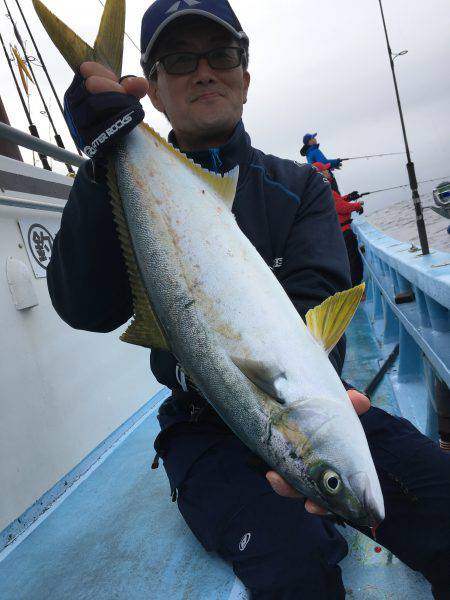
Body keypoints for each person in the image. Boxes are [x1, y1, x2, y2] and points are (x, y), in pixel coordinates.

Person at [47, 1, 450, 598]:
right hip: (202, 431)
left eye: (222, 55)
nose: (203, 71)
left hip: (318, 400)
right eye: (179, 59)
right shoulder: (120, 186)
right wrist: (101, 160)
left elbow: (319, 294)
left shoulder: (299, 187)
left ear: (245, 76)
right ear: (151, 91)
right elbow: (85, 308)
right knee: (295, 567)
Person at [313, 162, 365, 285]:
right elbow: (341, 208)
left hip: (337, 232)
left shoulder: (320, 189)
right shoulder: (327, 190)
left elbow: (338, 202)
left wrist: (349, 197)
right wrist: (358, 205)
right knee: (354, 262)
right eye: (325, 170)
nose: (328, 171)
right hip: (344, 232)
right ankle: (355, 289)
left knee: (347, 261)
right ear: (320, 174)